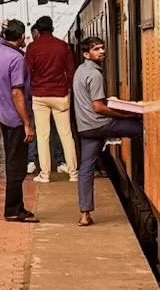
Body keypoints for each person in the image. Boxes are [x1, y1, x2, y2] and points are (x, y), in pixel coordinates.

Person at [72, 35, 142, 227]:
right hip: (100, 124)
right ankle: (144, 177)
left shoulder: (80, 70)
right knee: (140, 130)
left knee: (86, 168)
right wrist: (127, 114)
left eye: (102, 48)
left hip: (85, 127)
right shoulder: (95, 74)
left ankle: (85, 214)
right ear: (87, 54)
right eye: (96, 49)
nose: (102, 51)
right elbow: (99, 107)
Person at [0, 20, 35, 221]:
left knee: (12, 160)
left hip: (1, 114)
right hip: (15, 118)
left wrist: (2, 28)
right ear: (22, 37)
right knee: (17, 165)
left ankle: (18, 206)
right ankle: (13, 210)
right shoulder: (17, 59)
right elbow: (17, 92)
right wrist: (27, 123)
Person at [24, 16, 80, 184]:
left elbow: (28, 71)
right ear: (52, 28)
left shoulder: (32, 47)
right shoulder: (63, 46)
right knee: (66, 134)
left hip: (40, 95)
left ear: (38, 31)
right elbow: (70, 71)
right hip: (60, 94)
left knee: (42, 136)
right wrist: (67, 89)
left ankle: (45, 174)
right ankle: (73, 173)